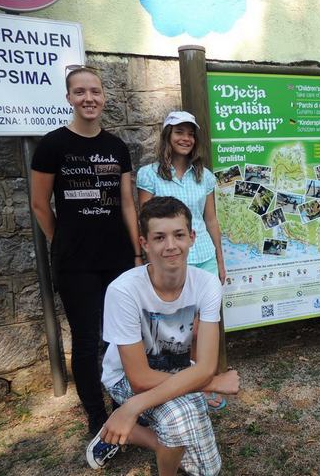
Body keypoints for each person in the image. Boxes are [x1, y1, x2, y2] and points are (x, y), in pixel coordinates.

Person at [86, 196, 240, 475]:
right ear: (144, 244)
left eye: (179, 235)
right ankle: (139, 434)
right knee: (180, 418)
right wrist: (211, 383)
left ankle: (129, 428)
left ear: (192, 238)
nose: (170, 245)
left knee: (208, 470)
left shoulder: (207, 284)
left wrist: (133, 408)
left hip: (178, 369)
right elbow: (139, 378)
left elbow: (205, 365)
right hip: (125, 377)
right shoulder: (123, 291)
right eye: (159, 237)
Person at [30, 66, 143, 436]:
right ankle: (96, 416)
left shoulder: (116, 147)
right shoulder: (52, 145)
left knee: (120, 338)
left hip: (117, 258)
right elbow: (39, 205)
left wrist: (137, 253)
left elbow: (127, 204)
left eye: (94, 91)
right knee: (86, 340)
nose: (88, 98)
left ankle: (123, 406)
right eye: (80, 92)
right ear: (69, 98)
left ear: (104, 97)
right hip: (75, 263)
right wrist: (62, 241)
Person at [137, 111, 227, 410]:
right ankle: (177, 384)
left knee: (203, 328)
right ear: (168, 136)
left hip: (203, 258)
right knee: (174, 329)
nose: (185, 138)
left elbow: (211, 219)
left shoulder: (205, 176)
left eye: (190, 133)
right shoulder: (149, 175)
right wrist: (144, 259)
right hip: (170, 262)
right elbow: (145, 222)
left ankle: (203, 381)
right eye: (179, 132)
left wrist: (220, 259)